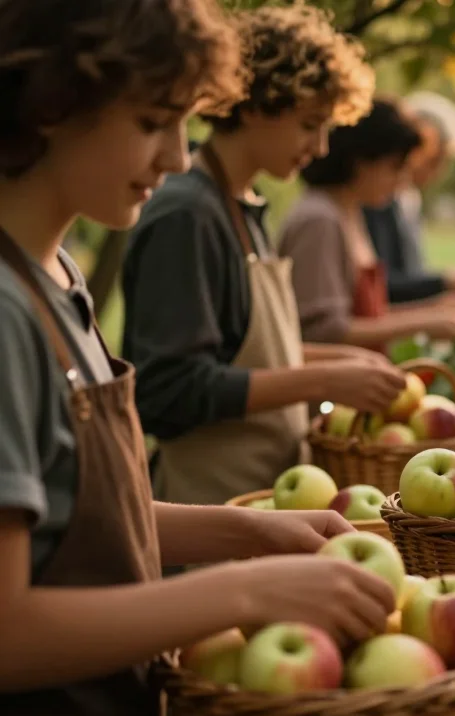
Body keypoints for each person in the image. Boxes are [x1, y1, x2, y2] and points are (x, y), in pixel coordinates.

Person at [0, 2, 394, 716]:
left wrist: (247, 534)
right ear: (52, 106)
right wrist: (240, 593)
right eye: (154, 121)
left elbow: (78, 518)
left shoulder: (59, 278)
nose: (179, 156)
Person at [121, 5, 406, 507]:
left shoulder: (243, 209)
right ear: (256, 105)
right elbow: (170, 389)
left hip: (265, 497)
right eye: (310, 125)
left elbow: (245, 356)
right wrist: (321, 378)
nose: (320, 148)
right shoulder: (187, 215)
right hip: (205, 509)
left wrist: (345, 361)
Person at [279, 97, 455, 348]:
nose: (402, 181)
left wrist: (433, 310)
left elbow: (367, 315)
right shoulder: (319, 220)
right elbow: (323, 331)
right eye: (395, 167)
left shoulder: (348, 212)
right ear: (361, 160)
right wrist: (423, 323)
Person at [362, 91, 455, 311]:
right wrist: (443, 283)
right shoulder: (376, 200)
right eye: (434, 160)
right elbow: (381, 282)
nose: (438, 172)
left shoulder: (409, 199)